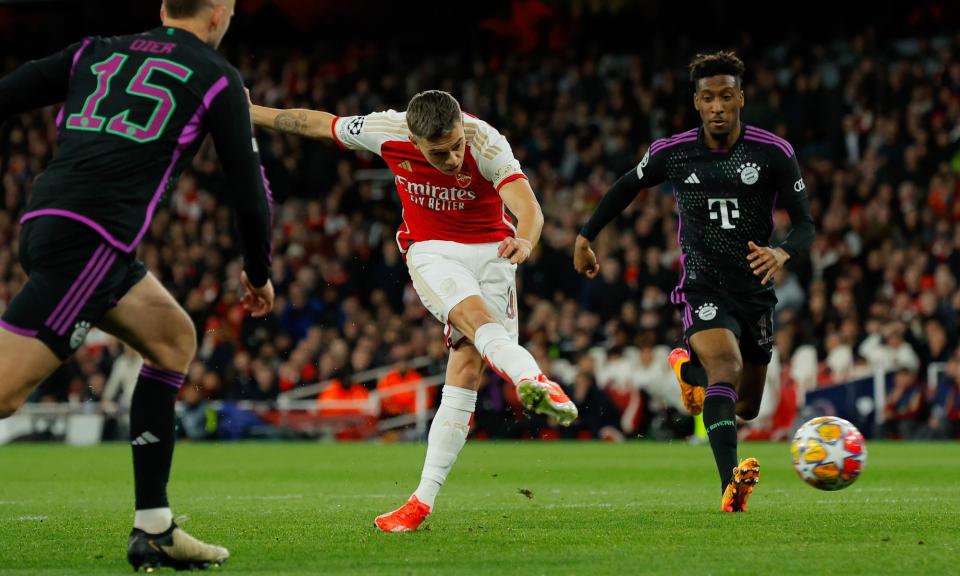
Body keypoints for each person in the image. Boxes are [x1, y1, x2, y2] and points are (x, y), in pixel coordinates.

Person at [0, 0, 275, 570]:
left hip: (54, 222)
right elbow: (248, 191)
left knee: (173, 337)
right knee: (3, 394)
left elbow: (9, 91)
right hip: (92, 242)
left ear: (164, 7)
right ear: (220, 13)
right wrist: (258, 271)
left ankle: (154, 528)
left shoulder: (95, 49)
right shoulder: (216, 76)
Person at [251, 89, 577, 531]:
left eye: (457, 145)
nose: (454, 158)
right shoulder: (386, 130)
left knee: (465, 369)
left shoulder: (485, 141)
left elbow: (527, 206)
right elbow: (315, 123)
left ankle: (421, 503)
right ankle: (532, 379)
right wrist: (250, 112)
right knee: (477, 321)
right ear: (414, 138)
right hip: (433, 251)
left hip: (495, 250)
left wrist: (526, 239)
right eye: (439, 153)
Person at [574, 51, 814, 512]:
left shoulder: (772, 151)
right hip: (703, 284)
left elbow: (805, 224)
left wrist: (782, 251)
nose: (718, 106)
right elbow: (627, 185)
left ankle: (690, 372)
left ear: (741, 98)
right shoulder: (675, 151)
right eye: (709, 98)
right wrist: (587, 235)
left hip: (755, 290)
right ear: (697, 103)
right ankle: (732, 487)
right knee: (726, 365)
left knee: (746, 407)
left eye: (727, 96)